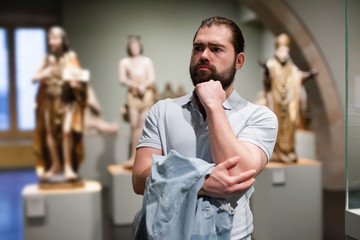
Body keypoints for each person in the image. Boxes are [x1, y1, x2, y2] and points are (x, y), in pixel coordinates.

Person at [132, 16, 278, 239]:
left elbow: (237, 175)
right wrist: (202, 182)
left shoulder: (259, 117)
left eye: (216, 49)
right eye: (198, 48)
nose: (203, 56)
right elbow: (140, 179)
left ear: (239, 61)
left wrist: (213, 106)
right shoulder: (162, 111)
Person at [33, 26, 88, 182]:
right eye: (50, 38)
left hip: (66, 99)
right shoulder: (46, 59)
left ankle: (68, 166)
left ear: (63, 40)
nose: (53, 42)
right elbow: (34, 76)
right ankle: (56, 164)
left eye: (56, 38)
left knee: (66, 132)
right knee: (49, 133)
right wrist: (45, 73)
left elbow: (80, 80)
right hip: (49, 99)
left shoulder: (70, 56)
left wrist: (74, 83)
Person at [261, 33, 316, 163]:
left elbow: (299, 76)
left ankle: (289, 151)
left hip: (289, 102)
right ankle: (276, 152)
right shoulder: (271, 65)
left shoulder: (292, 68)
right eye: (282, 51)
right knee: (275, 125)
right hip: (276, 104)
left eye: (286, 51)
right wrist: (266, 71)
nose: (284, 54)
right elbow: (267, 82)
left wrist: (309, 75)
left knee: (291, 123)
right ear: (277, 51)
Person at [119, 36, 156, 168]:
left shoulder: (147, 61)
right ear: (129, 48)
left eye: (136, 45)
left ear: (140, 46)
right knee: (133, 126)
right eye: (131, 46)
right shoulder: (125, 62)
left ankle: (140, 158)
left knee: (142, 126)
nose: (134, 48)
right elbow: (122, 79)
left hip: (145, 95)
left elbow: (151, 78)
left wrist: (143, 86)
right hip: (133, 95)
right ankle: (132, 157)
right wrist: (135, 85)